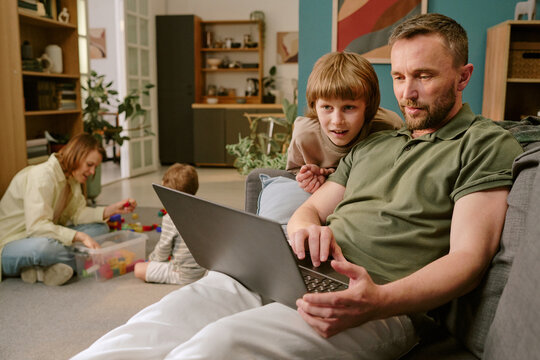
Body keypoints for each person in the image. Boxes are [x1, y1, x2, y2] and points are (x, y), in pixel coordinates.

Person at [72, 14, 523, 359]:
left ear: (463, 76)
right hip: (288, 270)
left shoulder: (483, 143)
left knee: (217, 346)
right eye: (400, 76)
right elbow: (312, 208)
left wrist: (379, 300)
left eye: (423, 76)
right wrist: (306, 226)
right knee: (152, 324)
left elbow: (469, 257)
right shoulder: (378, 143)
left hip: (373, 303)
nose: (407, 93)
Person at [0, 133, 137, 286]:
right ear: (75, 156)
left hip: (44, 235)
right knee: (45, 248)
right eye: (89, 165)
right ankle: (94, 260)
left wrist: (112, 209)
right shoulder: (42, 176)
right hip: (11, 244)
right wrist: (81, 237)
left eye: (95, 167)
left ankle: (41, 270)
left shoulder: (71, 178)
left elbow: (78, 214)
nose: (92, 172)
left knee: (100, 228)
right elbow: (37, 227)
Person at [286, 51, 403, 193]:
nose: (337, 121)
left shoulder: (389, 128)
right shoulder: (304, 135)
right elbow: (293, 172)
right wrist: (308, 177)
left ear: (368, 107)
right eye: (327, 107)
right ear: (314, 105)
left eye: (348, 107)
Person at [134, 163, 206, 285]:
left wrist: (152, 260)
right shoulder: (203, 210)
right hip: (203, 271)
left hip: (183, 274)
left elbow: (163, 250)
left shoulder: (171, 217)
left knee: (138, 269)